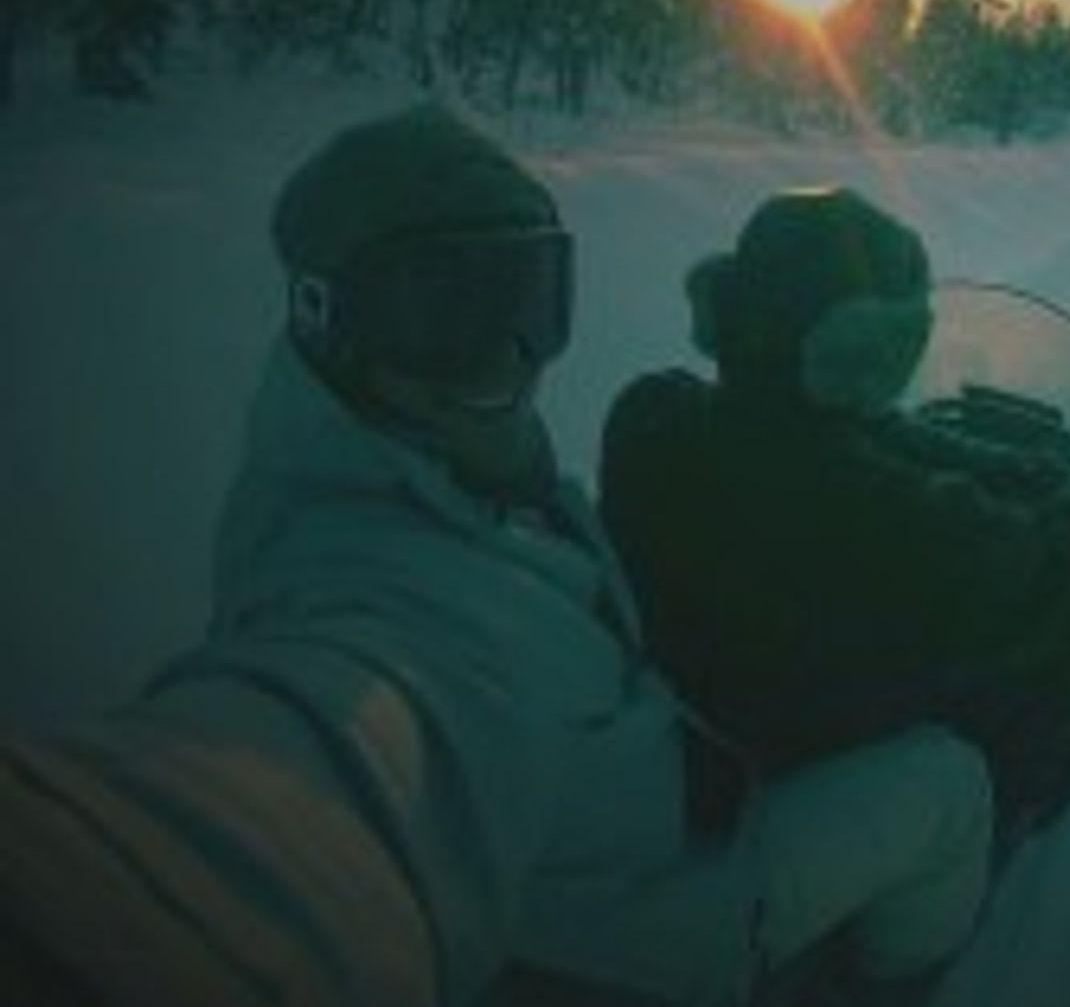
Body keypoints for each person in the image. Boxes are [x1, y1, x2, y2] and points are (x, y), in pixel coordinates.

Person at [0, 107, 991, 1007]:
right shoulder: (381, 599)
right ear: (326, 315)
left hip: (612, 842)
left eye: (532, 298)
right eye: (445, 309)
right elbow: (327, 756)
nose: (510, 359)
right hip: (667, 920)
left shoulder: (415, 468)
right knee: (950, 784)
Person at [599, 187, 1070, 857]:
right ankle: (1006, 816)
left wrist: (1001, 464)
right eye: (871, 351)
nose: (883, 376)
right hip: (805, 738)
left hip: (700, 701)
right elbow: (1027, 570)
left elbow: (860, 431)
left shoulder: (654, 414)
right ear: (827, 349)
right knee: (1052, 648)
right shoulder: (881, 516)